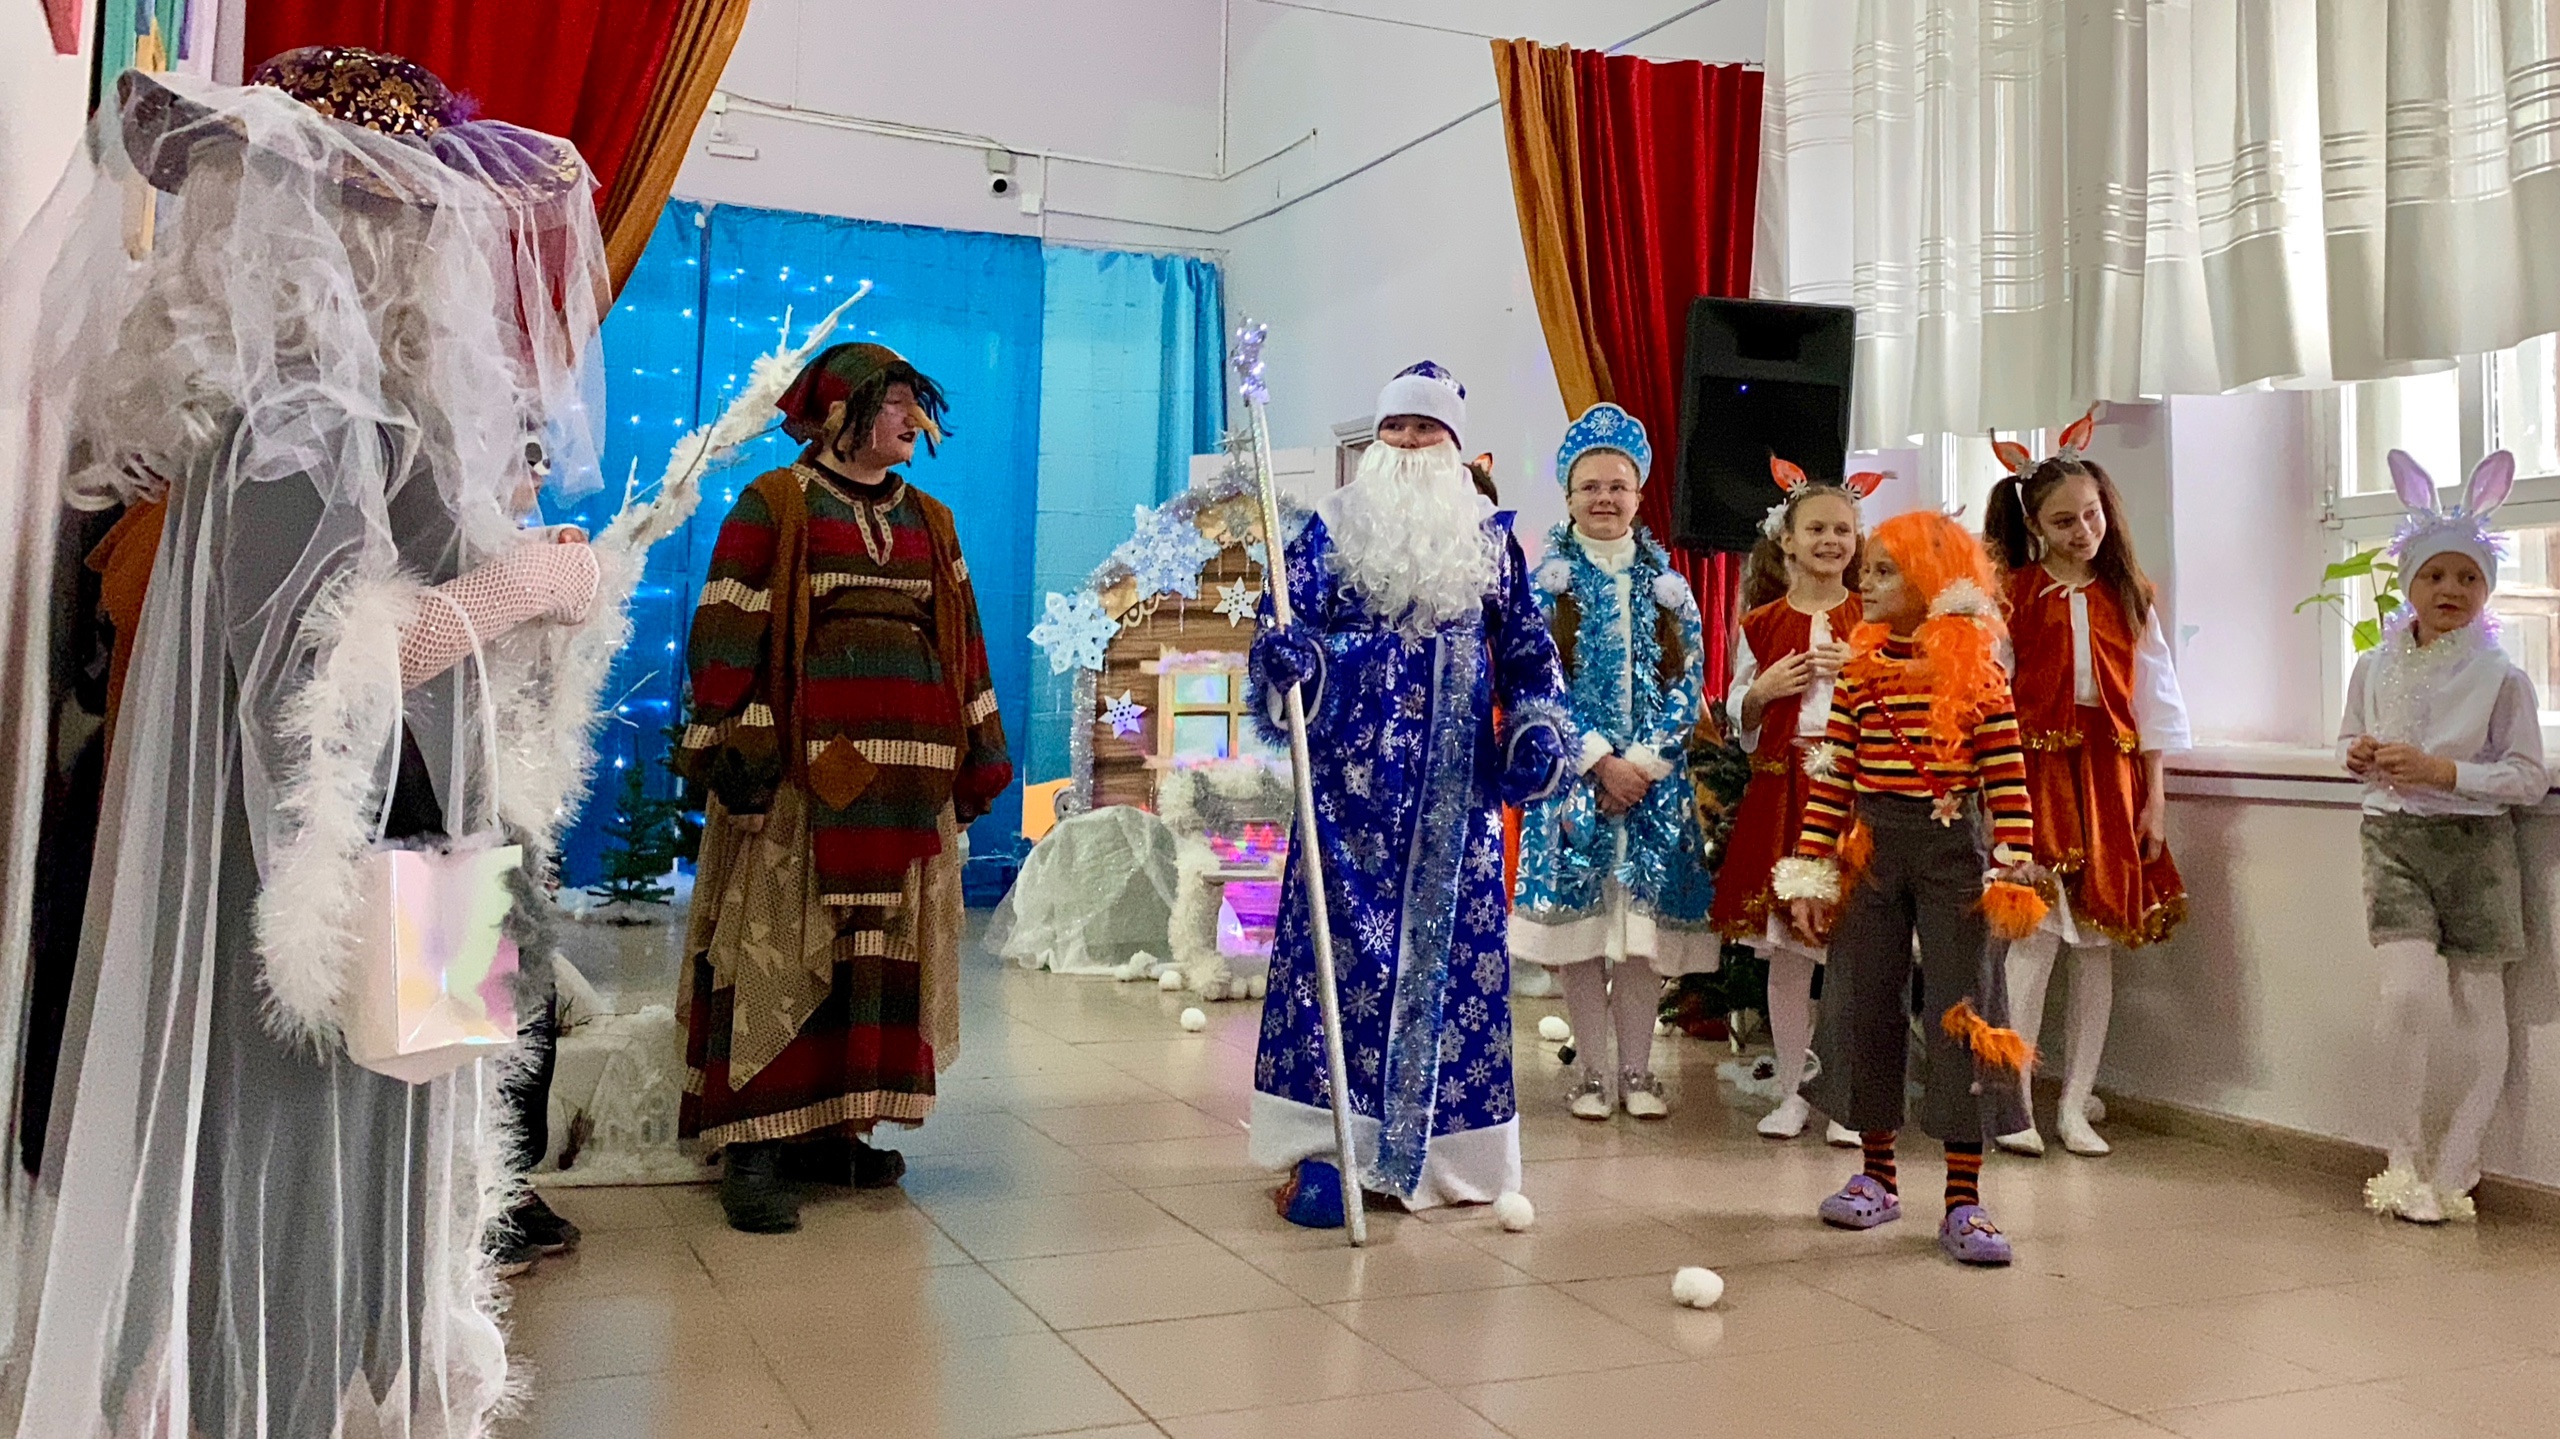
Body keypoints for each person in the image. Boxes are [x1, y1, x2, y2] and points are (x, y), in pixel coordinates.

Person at [0, 50, 612, 1436]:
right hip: (330, 872)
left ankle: (347, 1392)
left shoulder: (357, 412)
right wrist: (526, 586)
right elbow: (328, 667)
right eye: (406, 214)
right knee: (305, 1166)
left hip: (420, 848)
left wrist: (519, 579)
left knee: (407, 1150)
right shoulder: (302, 419)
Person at [677, 341, 1011, 1234]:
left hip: (907, 791)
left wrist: (978, 750)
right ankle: (755, 1144)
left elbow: (963, 641)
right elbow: (728, 626)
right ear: (837, 415)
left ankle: (837, 1128)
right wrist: (737, 745)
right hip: (803, 786)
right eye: (893, 403)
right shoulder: (777, 503)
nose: (914, 419)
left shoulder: (932, 521)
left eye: (915, 402)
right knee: (779, 954)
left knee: (876, 963)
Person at [1248, 362, 1571, 1223]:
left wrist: (1538, 728)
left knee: (1454, 965)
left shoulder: (1491, 541)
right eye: (1395, 427)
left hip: (1454, 799)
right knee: (1334, 966)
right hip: (1345, 796)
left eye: (1425, 428)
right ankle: (1326, 1149)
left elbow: (1529, 651)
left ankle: (1448, 1154)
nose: (1407, 441)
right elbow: (1286, 628)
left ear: (1454, 444)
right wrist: (1289, 661)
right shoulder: (1327, 530)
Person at [1777, 512, 2039, 1267]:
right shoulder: (1859, 671)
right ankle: (1877, 1176)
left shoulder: (1978, 668)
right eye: (1867, 566)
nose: (1864, 580)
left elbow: (2006, 771)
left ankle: (1964, 1198)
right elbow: (1833, 776)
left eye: (1885, 570)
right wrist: (1812, 867)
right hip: (1872, 850)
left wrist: (2015, 855)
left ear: (1931, 579)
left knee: (1966, 1009)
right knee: (1861, 1000)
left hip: (1956, 853)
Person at [2345, 450, 2546, 1225]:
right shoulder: (2372, 666)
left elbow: (2526, 777)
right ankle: (2402, 1158)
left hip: (2478, 852)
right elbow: (2346, 742)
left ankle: (2457, 1164)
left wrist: (2443, 770)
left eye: (2467, 576)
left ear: (2486, 588)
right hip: (2392, 841)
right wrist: (2357, 755)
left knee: (2480, 1011)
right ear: (2410, 583)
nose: (2450, 589)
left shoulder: (2503, 677)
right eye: (2434, 575)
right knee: (2404, 995)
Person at [1983, 413, 2191, 1158]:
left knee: (2096, 948)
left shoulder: (2129, 594)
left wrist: (2154, 800)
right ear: (2034, 527)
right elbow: (1991, 694)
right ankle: (2015, 1101)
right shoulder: (2012, 595)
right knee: (2032, 947)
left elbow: (2156, 700)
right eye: (2064, 521)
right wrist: (1994, 796)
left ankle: (2076, 1104)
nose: (2083, 532)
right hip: (2033, 782)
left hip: (2109, 784)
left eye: (2092, 515)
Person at [1511, 403, 1716, 1120]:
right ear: (1569, 496)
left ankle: (1637, 1071)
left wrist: (1646, 762)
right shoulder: (1545, 586)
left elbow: (1691, 680)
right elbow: (1538, 683)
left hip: (1654, 791)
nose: (1604, 498)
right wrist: (1600, 761)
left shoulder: (1670, 589)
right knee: (1582, 938)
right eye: (1590, 486)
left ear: (1637, 494)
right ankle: (1593, 1073)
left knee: (1640, 941)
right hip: (1575, 788)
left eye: (1617, 486)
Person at [1712, 459, 1879, 1146]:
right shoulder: (1760, 624)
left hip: (1850, 800)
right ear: (1787, 539)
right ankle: (1790, 1089)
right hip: (1784, 794)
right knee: (1788, 954)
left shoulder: (1873, 619)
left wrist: (1863, 672)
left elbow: (1910, 705)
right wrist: (1762, 691)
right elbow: (1738, 712)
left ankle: (1847, 1097)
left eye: (1843, 529)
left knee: (1853, 952)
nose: (1831, 540)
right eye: (1817, 529)